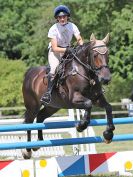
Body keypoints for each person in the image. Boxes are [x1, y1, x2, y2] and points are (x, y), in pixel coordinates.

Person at [40, 5, 84, 104]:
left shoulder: (72, 26)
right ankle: (48, 93)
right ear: (57, 18)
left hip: (68, 50)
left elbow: (79, 39)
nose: (62, 19)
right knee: (54, 69)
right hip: (55, 52)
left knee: (81, 65)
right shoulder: (53, 29)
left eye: (64, 16)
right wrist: (67, 50)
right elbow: (55, 48)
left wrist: (81, 47)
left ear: (67, 16)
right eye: (60, 17)